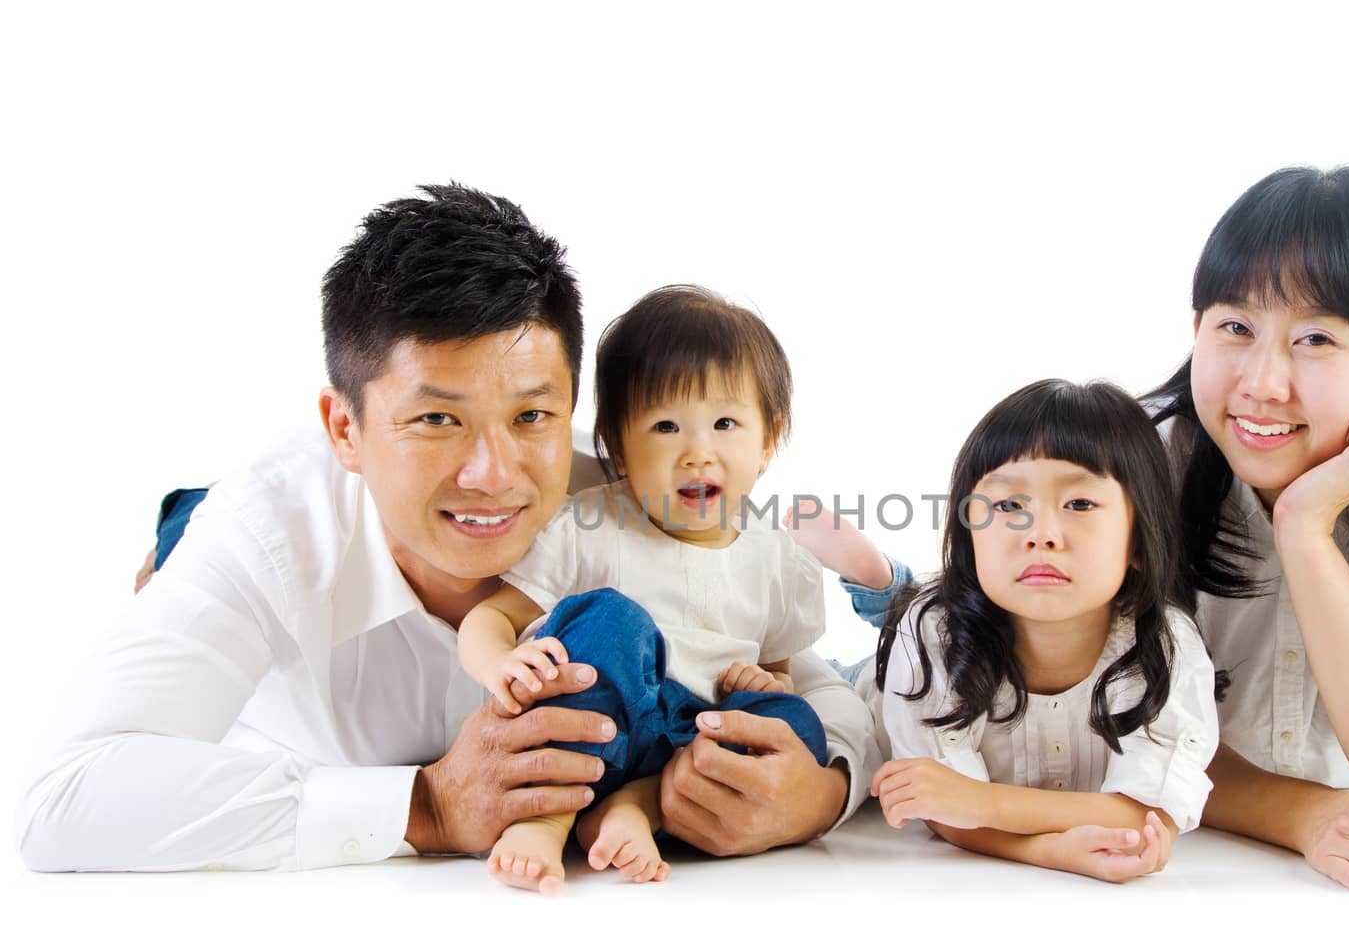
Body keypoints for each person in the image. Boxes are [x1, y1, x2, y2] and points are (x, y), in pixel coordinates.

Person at [14, 185, 876, 873]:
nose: (495, 473)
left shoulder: (622, 495)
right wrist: (424, 806)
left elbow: (810, 672)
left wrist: (821, 792)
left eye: (534, 415)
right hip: (272, 549)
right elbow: (62, 801)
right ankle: (182, 520)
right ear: (344, 427)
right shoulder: (264, 538)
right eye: (437, 420)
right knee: (200, 545)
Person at [793, 165, 1349, 891]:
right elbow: (1131, 729)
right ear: (1196, 326)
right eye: (1236, 328)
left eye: (1318, 339)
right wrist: (1299, 814)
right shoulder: (1148, 462)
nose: (1262, 385)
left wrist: (1306, 531)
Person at [457, 286, 830, 893]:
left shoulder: (777, 558)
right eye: (664, 426)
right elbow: (492, 617)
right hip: (599, 722)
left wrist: (768, 683)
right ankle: (546, 817)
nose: (698, 453)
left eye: (726, 423)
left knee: (797, 725)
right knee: (611, 620)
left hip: (690, 749)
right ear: (618, 446)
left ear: (768, 439)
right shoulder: (592, 525)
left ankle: (634, 808)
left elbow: (777, 666)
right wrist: (501, 661)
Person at [811, 379, 1220, 883]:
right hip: (872, 697)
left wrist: (985, 805)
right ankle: (879, 584)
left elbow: (1146, 816)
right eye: (1008, 507)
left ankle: (885, 587)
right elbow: (943, 810)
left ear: (1140, 538)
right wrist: (1055, 849)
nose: (1041, 534)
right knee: (819, 694)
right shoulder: (931, 635)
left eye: (1080, 505)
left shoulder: (1163, 646)